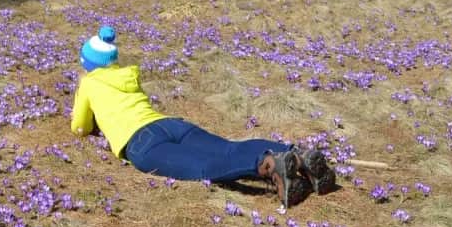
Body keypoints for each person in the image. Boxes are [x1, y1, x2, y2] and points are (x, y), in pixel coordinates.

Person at [70, 27, 335, 208]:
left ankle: (268, 165)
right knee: (228, 147)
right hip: (170, 124)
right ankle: (293, 154)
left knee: (204, 167)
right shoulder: (127, 75)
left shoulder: (89, 83)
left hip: (141, 142)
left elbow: (80, 127)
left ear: (88, 63)